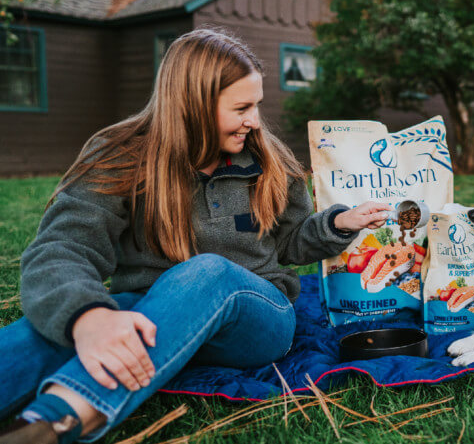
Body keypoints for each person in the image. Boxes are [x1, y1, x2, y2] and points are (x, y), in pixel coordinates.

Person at [0, 28, 390, 443]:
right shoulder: (118, 155)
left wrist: (336, 225)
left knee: (209, 272)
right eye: (241, 107)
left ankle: (55, 421)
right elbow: (64, 248)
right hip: (155, 314)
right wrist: (89, 318)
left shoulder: (268, 158)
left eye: (256, 105)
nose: (254, 121)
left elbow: (289, 241)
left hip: (258, 317)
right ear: (193, 105)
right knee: (57, 324)